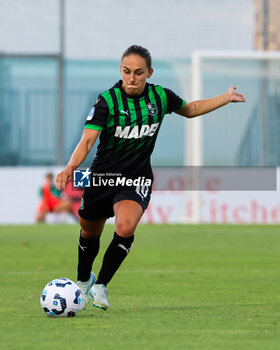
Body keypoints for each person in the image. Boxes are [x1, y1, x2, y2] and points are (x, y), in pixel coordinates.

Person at [56, 45, 245, 311]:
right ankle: (84, 279)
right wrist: (70, 167)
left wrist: (225, 98)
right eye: (126, 72)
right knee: (89, 232)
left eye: (138, 73)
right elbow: (88, 141)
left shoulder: (160, 96)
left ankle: (101, 286)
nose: (131, 78)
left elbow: (190, 109)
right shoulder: (107, 101)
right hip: (102, 177)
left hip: (136, 178)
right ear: (120, 71)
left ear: (149, 73)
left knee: (125, 228)